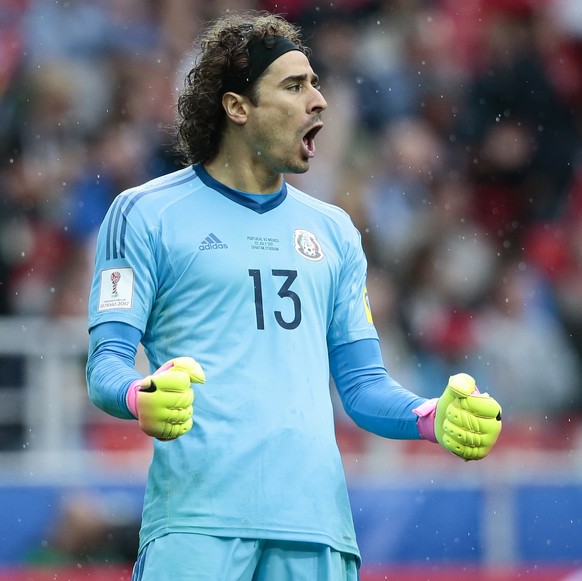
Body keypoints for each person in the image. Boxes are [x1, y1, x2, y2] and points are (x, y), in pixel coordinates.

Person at [86, 10, 502, 581]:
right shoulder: (145, 214)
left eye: (316, 83)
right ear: (237, 107)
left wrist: (431, 415)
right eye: (294, 85)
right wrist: (139, 395)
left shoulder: (335, 231)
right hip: (198, 525)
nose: (319, 100)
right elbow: (105, 365)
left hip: (317, 529)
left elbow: (361, 386)